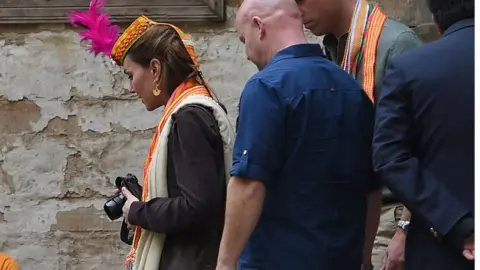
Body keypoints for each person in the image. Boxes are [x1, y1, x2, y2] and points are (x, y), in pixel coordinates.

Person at [69, 2, 236, 270]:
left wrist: (137, 211)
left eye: (130, 74)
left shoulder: (190, 117)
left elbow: (199, 208)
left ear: (155, 69)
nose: (130, 86)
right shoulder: (193, 109)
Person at [216, 0, 375, 269]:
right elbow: (372, 188)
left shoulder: (266, 88)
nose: (247, 54)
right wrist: (365, 258)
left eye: (244, 40)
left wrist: (225, 262)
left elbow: (249, 184)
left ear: (259, 27)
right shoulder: (352, 88)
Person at [296, 0, 423, 269]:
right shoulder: (331, 49)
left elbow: (427, 144)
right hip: (348, 214)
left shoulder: (397, 44)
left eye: (300, 0)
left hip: (390, 214)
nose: (297, 11)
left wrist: (406, 227)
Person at [372, 0, 474, 269]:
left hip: (441, 246)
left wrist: (457, 224)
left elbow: (390, 157)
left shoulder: (410, 69)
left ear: (436, 17)